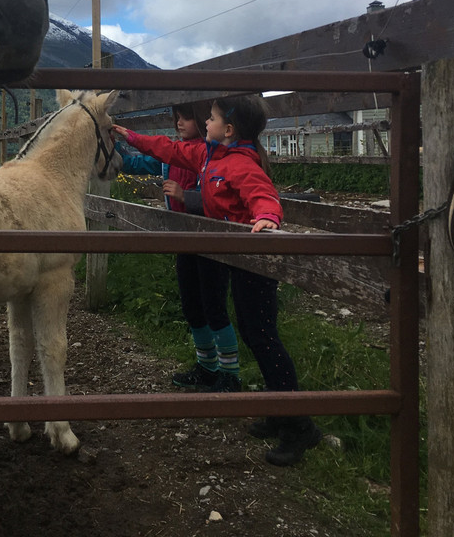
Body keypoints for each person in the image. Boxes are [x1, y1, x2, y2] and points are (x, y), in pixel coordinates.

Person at [112, 95, 323, 467]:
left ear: (228, 130)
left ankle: (299, 425)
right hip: (238, 259)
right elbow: (168, 149)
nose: (204, 123)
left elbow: (263, 195)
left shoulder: (240, 163)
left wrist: (268, 218)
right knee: (254, 331)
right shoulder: (210, 156)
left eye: (209, 119)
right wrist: (128, 135)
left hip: (254, 259)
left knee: (262, 335)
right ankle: (281, 411)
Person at [113, 102, 242, 394]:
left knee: (214, 305)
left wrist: (187, 196)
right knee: (192, 305)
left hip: (210, 239)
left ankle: (230, 374)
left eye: (185, 118)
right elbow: (137, 163)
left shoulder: (206, 153)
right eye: (176, 118)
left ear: (201, 120)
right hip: (183, 239)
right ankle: (208, 367)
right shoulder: (170, 156)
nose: (179, 123)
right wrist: (117, 149)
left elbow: (217, 194)